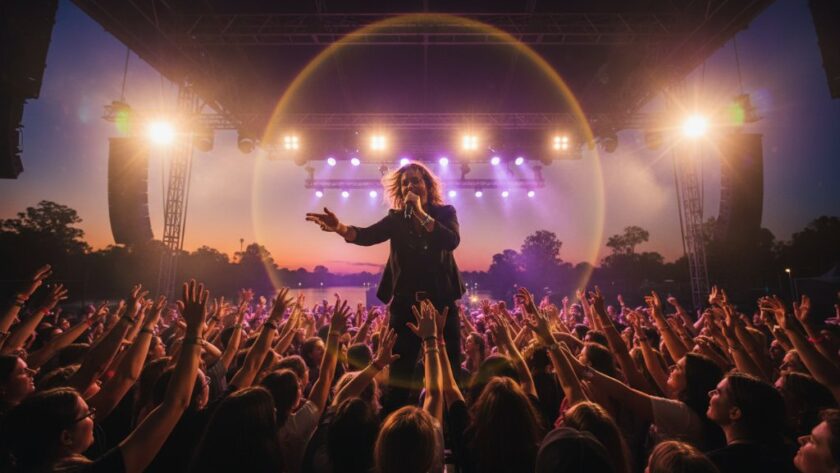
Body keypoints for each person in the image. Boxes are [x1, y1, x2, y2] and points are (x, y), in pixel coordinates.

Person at [306, 162, 465, 410]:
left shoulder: (445, 213)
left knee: (451, 371)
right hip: (404, 305)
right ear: (400, 192)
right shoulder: (396, 219)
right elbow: (366, 235)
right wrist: (339, 227)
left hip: (441, 303)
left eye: (416, 180)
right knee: (400, 376)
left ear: (427, 185)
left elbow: (451, 240)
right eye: (405, 183)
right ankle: (392, 428)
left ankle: (452, 428)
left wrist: (421, 213)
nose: (411, 185)